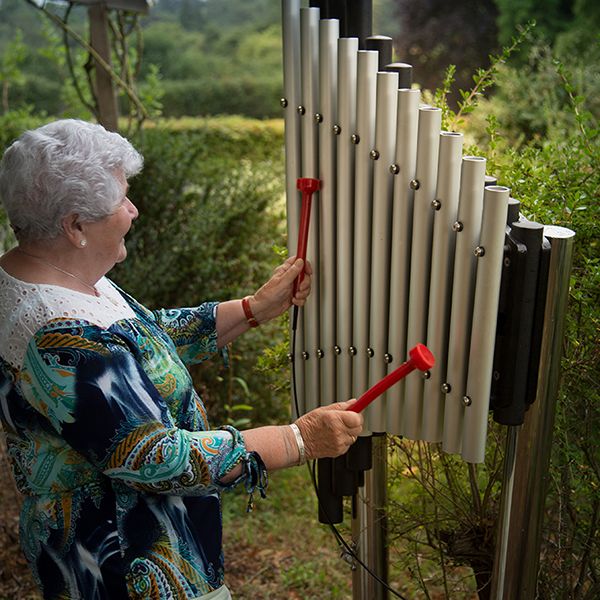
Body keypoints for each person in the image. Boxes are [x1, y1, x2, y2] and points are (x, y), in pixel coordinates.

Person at [0, 119, 363, 600]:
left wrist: (253, 309)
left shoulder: (56, 275)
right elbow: (157, 459)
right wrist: (296, 440)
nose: (133, 209)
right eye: (120, 202)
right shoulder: (56, 334)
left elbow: (142, 342)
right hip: (128, 567)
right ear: (75, 226)